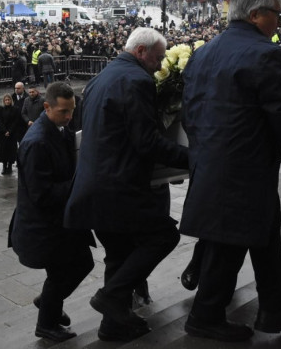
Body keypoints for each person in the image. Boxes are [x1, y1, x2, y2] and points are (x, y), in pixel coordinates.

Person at [179, 0, 281, 342]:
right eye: (277, 15)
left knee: (262, 235)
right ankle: (205, 316)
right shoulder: (266, 53)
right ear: (256, 14)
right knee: (228, 242)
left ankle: (275, 310)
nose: (280, 24)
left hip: (215, 162)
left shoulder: (204, 51)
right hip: (244, 168)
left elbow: (190, 111)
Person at [64, 27, 189, 342]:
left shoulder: (99, 79)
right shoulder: (137, 80)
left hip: (93, 185)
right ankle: (112, 295)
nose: (160, 66)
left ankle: (112, 325)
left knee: (119, 255)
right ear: (142, 52)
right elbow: (146, 142)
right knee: (163, 236)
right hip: (118, 188)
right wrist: (194, 159)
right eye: (158, 58)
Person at [9, 82, 95, 342]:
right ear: (46, 107)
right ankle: (47, 323)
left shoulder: (58, 129)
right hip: (44, 224)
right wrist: (81, 181)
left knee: (80, 264)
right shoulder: (36, 142)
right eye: (63, 112)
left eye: (71, 111)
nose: (69, 117)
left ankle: (49, 305)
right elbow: (41, 193)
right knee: (62, 272)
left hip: (60, 220)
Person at [0, 93, 21, 174]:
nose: (7, 101)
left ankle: (10, 166)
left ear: (11, 100)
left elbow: (16, 121)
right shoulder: (0, 109)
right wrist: (4, 130)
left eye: (9, 99)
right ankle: (4, 166)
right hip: (3, 133)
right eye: (6, 100)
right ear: (3, 101)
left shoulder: (16, 109)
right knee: (3, 150)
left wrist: (9, 131)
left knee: (11, 150)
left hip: (12, 133)